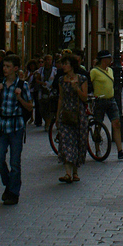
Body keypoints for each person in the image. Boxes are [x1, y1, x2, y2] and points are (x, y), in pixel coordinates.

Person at [0, 54, 33, 205]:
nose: (5, 69)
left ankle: (13, 193)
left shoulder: (23, 85)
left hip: (16, 127)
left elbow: (30, 106)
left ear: (15, 68)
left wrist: (20, 98)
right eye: (4, 66)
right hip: (3, 126)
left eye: (8, 66)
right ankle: (9, 184)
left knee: (15, 162)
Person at [89, 51, 123, 160]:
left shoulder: (110, 70)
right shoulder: (94, 71)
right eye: (108, 58)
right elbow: (89, 84)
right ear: (103, 60)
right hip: (100, 100)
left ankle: (120, 151)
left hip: (111, 99)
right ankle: (97, 149)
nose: (110, 60)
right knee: (98, 124)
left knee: (116, 123)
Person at [55, 54, 88, 183]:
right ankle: (68, 173)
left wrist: (77, 89)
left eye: (66, 64)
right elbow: (61, 98)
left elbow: (84, 98)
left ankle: (75, 172)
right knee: (66, 141)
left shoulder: (82, 79)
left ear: (72, 65)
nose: (63, 66)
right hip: (66, 113)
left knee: (78, 142)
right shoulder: (61, 80)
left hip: (78, 113)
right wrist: (58, 116)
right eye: (63, 64)